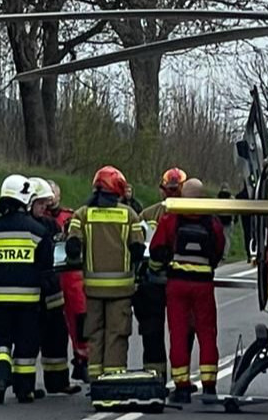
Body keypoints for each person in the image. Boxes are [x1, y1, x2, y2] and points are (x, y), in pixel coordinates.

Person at [0, 175, 54, 404]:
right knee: (26, 343)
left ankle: (2, 378)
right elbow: (47, 266)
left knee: (2, 340)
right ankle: (24, 390)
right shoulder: (37, 231)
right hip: (29, 299)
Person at [149, 178, 227, 403]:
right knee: (207, 333)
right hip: (203, 284)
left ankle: (182, 387)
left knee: (178, 334)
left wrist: (159, 268)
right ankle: (209, 387)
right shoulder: (212, 222)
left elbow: (156, 250)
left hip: (177, 285)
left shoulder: (171, 219)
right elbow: (219, 248)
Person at [65, 166, 146, 380]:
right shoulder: (130, 215)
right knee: (116, 335)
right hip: (121, 290)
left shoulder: (82, 214)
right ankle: (113, 378)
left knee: (94, 334)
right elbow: (138, 249)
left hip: (92, 289)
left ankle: (94, 377)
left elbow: (72, 247)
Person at [28, 177, 83, 395]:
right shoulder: (38, 225)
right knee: (32, 339)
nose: (46, 206)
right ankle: (31, 384)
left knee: (56, 336)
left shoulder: (52, 222)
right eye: (41, 202)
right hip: (40, 290)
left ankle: (57, 381)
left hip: (50, 291)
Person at [135, 167, 189, 382]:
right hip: (153, 283)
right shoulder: (148, 214)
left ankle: (180, 379)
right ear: (162, 190)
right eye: (169, 190)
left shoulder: (195, 213)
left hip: (180, 279)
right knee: (151, 332)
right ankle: (155, 376)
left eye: (176, 191)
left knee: (183, 332)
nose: (172, 195)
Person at [47, 180, 90, 381]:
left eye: (53, 192)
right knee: (55, 326)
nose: (50, 197)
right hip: (50, 278)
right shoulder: (38, 218)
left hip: (71, 278)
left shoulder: (70, 216)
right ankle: (57, 371)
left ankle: (82, 361)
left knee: (79, 321)